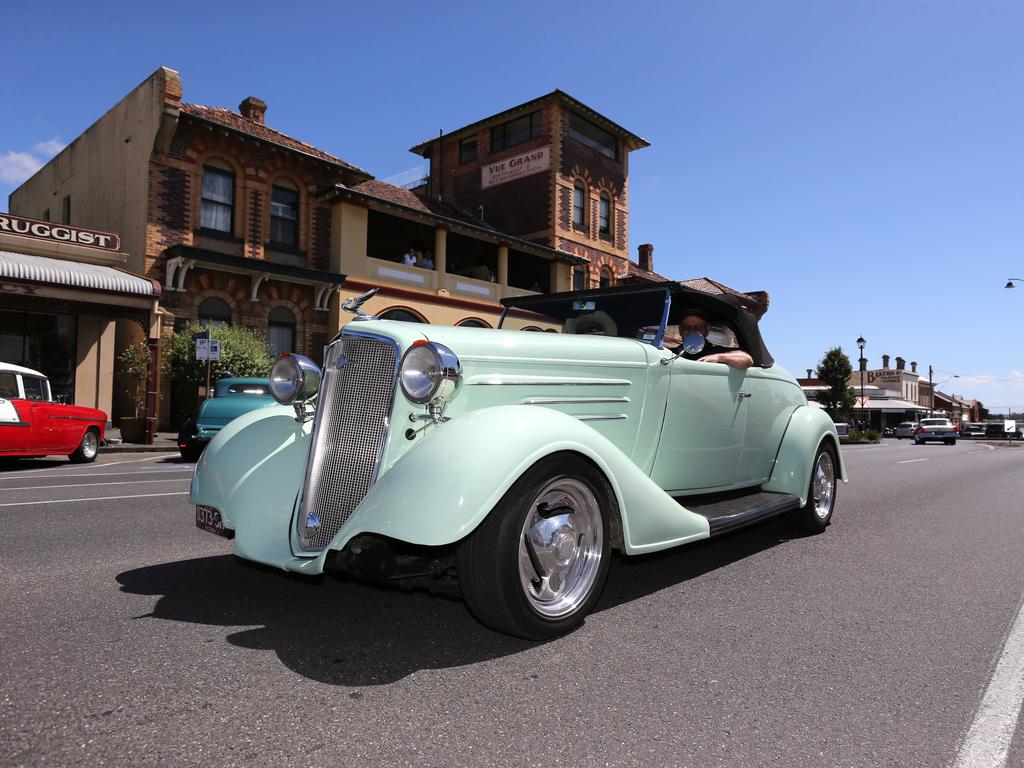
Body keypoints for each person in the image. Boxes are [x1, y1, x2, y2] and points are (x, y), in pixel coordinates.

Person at [677, 309, 754, 370]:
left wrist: (719, 358)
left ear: (706, 330)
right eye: (686, 327)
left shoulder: (715, 351)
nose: (692, 331)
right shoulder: (672, 353)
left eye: (698, 327)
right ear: (680, 330)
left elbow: (747, 360)